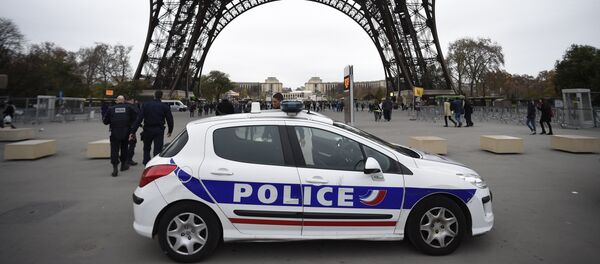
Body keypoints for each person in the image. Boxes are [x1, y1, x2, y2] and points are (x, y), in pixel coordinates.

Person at [131, 90, 174, 165]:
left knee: (147, 147)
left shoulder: (145, 105)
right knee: (158, 148)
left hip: (147, 129)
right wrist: (170, 130)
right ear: (161, 96)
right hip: (159, 129)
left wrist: (133, 131)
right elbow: (170, 119)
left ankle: (146, 162)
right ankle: (155, 163)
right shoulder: (165, 106)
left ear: (154, 95)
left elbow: (139, 119)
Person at [103, 96, 137, 177]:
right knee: (124, 148)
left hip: (114, 132)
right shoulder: (129, 108)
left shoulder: (111, 109)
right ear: (124, 100)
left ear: (117, 101)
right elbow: (135, 118)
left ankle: (115, 168)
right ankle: (123, 165)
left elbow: (105, 121)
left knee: (114, 150)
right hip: (126, 132)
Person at [126, 98, 140, 166]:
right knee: (132, 143)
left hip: (120, 129)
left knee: (124, 144)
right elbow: (137, 115)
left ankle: (124, 160)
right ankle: (129, 160)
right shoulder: (132, 107)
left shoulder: (121, 107)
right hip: (130, 129)